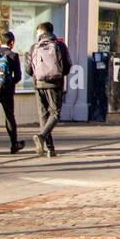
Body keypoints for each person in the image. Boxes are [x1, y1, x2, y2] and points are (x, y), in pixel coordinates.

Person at [25, 21, 71, 158]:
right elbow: (67, 67)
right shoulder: (60, 45)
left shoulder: (34, 47)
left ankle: (50, 149)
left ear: (41, 32)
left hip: (38, 84)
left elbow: (28, 70)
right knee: (55, 114)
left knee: (43, 116)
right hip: (55, 84)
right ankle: (42, 137)